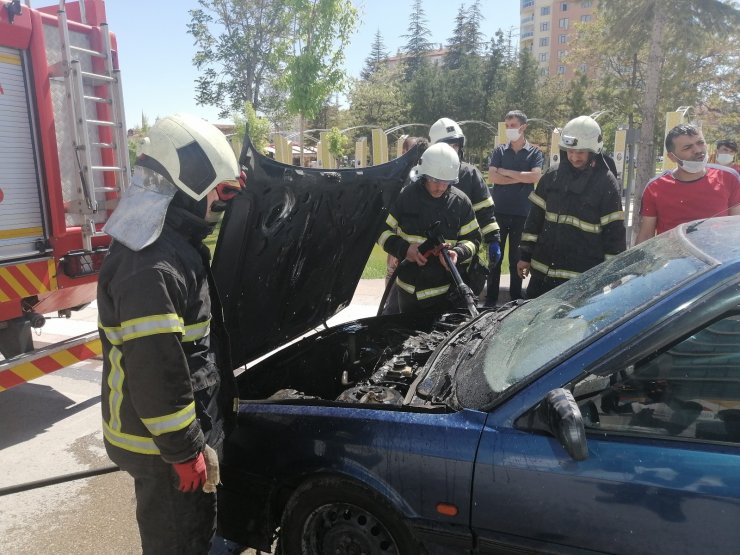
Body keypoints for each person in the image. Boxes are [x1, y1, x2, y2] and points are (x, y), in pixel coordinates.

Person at [97, 114, 245, 554]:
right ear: (188, 185)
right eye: (220, 194)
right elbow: (157, 370)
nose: (223, 205)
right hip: (159, 446)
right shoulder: (152, 265)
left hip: (165, 439)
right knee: (179, 542)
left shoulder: (169, 246)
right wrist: (184, 451)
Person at [517, 115, 626, 298]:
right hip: (541, 278)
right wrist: (525, 256)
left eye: (581, 152)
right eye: (570, 151)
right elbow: (534, 220)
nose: (574, 157)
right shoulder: (551, 177)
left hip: (582, 282)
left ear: (594, 151)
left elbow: (614, 234)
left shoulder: (606, 183)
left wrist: (612, 274)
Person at [378, 142, 481, 313]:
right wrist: (404, 249)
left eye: (446, 182)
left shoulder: (460, 203)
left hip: (444, 292)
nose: (441, 187)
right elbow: (381, 231)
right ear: (424, 174)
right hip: (408, 291)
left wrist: (458, 253)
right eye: (436, 180)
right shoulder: (405, 197)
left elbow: (473, 240)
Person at [428, 117, 501, 299]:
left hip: (463, 256)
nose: (453, 150)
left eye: (456, 145)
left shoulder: (470, 174)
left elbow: (485, 211)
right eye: (447, 145)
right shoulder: (423, 176)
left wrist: (493, 239)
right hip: (430, 257)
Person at [636, 125, 740, 244]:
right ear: (672, 157)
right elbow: (645, 236)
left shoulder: (729, 178)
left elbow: (737, 228)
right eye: (687, 147)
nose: (698, 150)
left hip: (720, 260)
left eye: (700, 143)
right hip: (674, 260)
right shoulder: (655, 188)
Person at [487, 110, 544, 306]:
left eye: (513, 125)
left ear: (523, 127)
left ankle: (515, 299)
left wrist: (506, 173)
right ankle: (491, 299)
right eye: (507, 126)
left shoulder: (535, 153)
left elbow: (535, 177)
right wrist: (520, 177)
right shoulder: (499, 151)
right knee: (494, 258)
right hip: (499, 213)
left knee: (516, 260)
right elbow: (493, 177)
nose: (509, 129)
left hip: (523, 215)